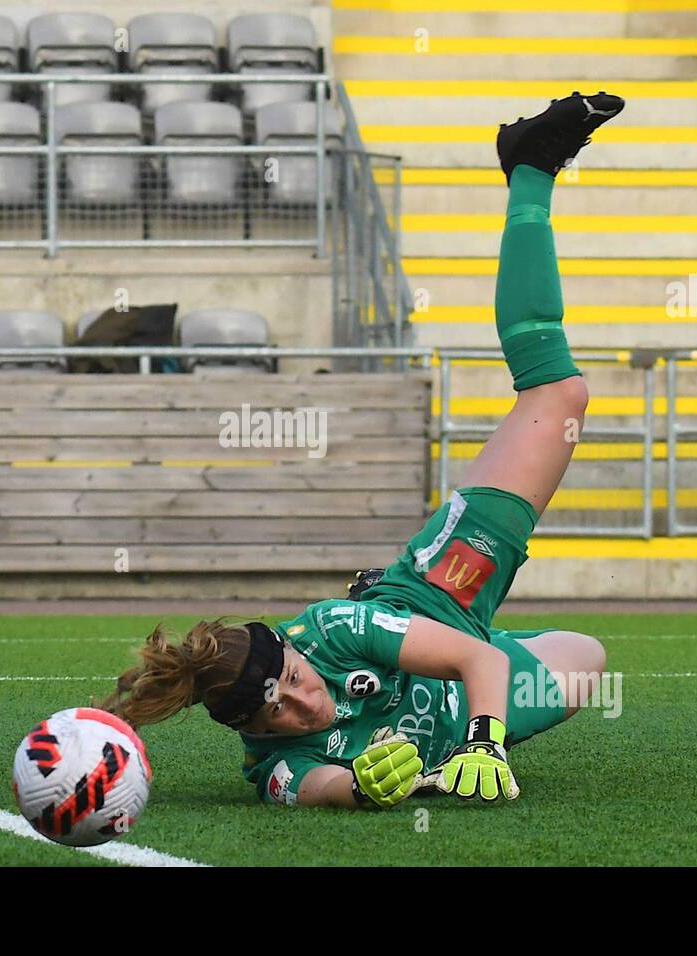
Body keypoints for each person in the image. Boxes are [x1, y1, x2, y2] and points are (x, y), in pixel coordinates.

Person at [101, 93, 625, 809]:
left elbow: (472, 655)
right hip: (447, 673)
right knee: (587, 663)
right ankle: (454, 663)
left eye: (290, 678)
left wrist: (483, 741)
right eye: (275, 710)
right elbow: (317, 787)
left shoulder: (331, 630)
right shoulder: (273, 762)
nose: (299, 703)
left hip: (440, 590)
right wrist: (365, 787)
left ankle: (529, 167)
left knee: (558, 396)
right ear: (248, 729)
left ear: (290, 651)